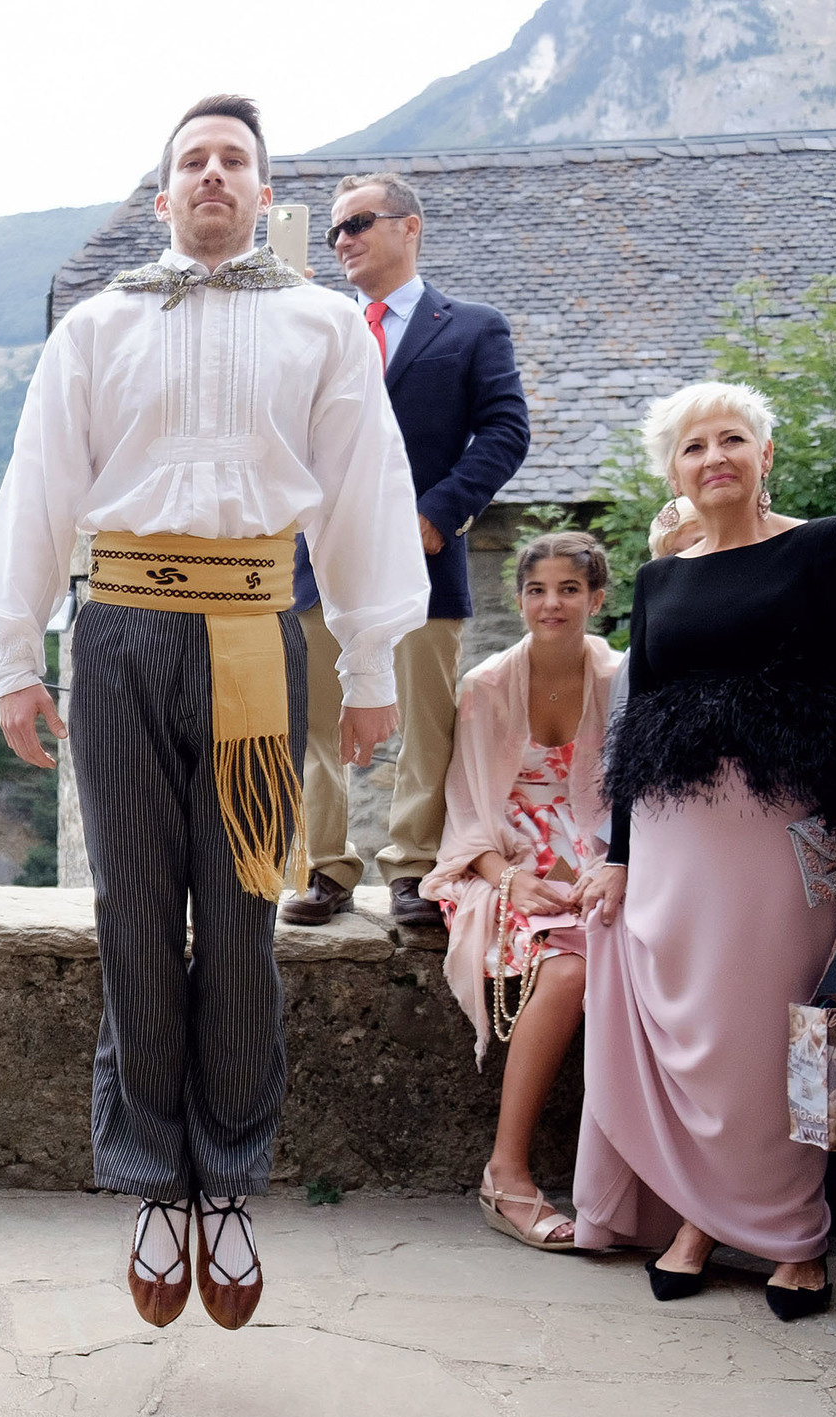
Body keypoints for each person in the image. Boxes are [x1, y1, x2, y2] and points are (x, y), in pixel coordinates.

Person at [0, 96, 429, 1331]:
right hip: (114, 631)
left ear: (261, 191)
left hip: (251, 635)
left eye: (233, 160)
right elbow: (40, 481)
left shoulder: (324, 326)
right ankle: (147, 1182)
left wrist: (372, 665)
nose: (211, 175)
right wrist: (16, 654)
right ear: (164, 193)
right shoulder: (98, 325)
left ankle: (227, 1179)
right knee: (130, 909)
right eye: (191, 161)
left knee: (239, 916)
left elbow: (366, 490)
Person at [572, 381, 836, 1320]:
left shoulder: (824, 547)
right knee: (691, 1038)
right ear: (672, 474)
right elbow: (641, 726)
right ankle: (701, 1219)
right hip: (675, 841)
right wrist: (622, 853)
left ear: (765, 455)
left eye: (731, 439)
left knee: (764, 1034)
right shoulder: (661, 579)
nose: (713, 456)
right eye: (692, 447)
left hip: (778, 837)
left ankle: (794, 1235)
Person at [281, 171, 529, 931]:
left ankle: (414, 871)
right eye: (334, 231)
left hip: (422, 561)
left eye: (358, 223)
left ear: (409, 227)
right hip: (316, 561)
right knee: (314, 723)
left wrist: (441, 513)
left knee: (426, 724)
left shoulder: (472, 327)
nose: (343, 240)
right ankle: (325, 870)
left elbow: (506, 429)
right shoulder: (316, 328)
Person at [420, 531, 620, 1249]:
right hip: (501, 859)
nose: (552, 603)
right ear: (519, 598)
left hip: (599, 853)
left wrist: (603, 867)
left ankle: (640, 1182)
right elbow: (469, 810)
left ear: (597, 598)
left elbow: (629, 802)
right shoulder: (487, 685)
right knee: (569, 968)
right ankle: (506, 1172)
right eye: (537, 589)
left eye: (570, 588)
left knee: (644, 954)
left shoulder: (621, 676)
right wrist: (512, 879)